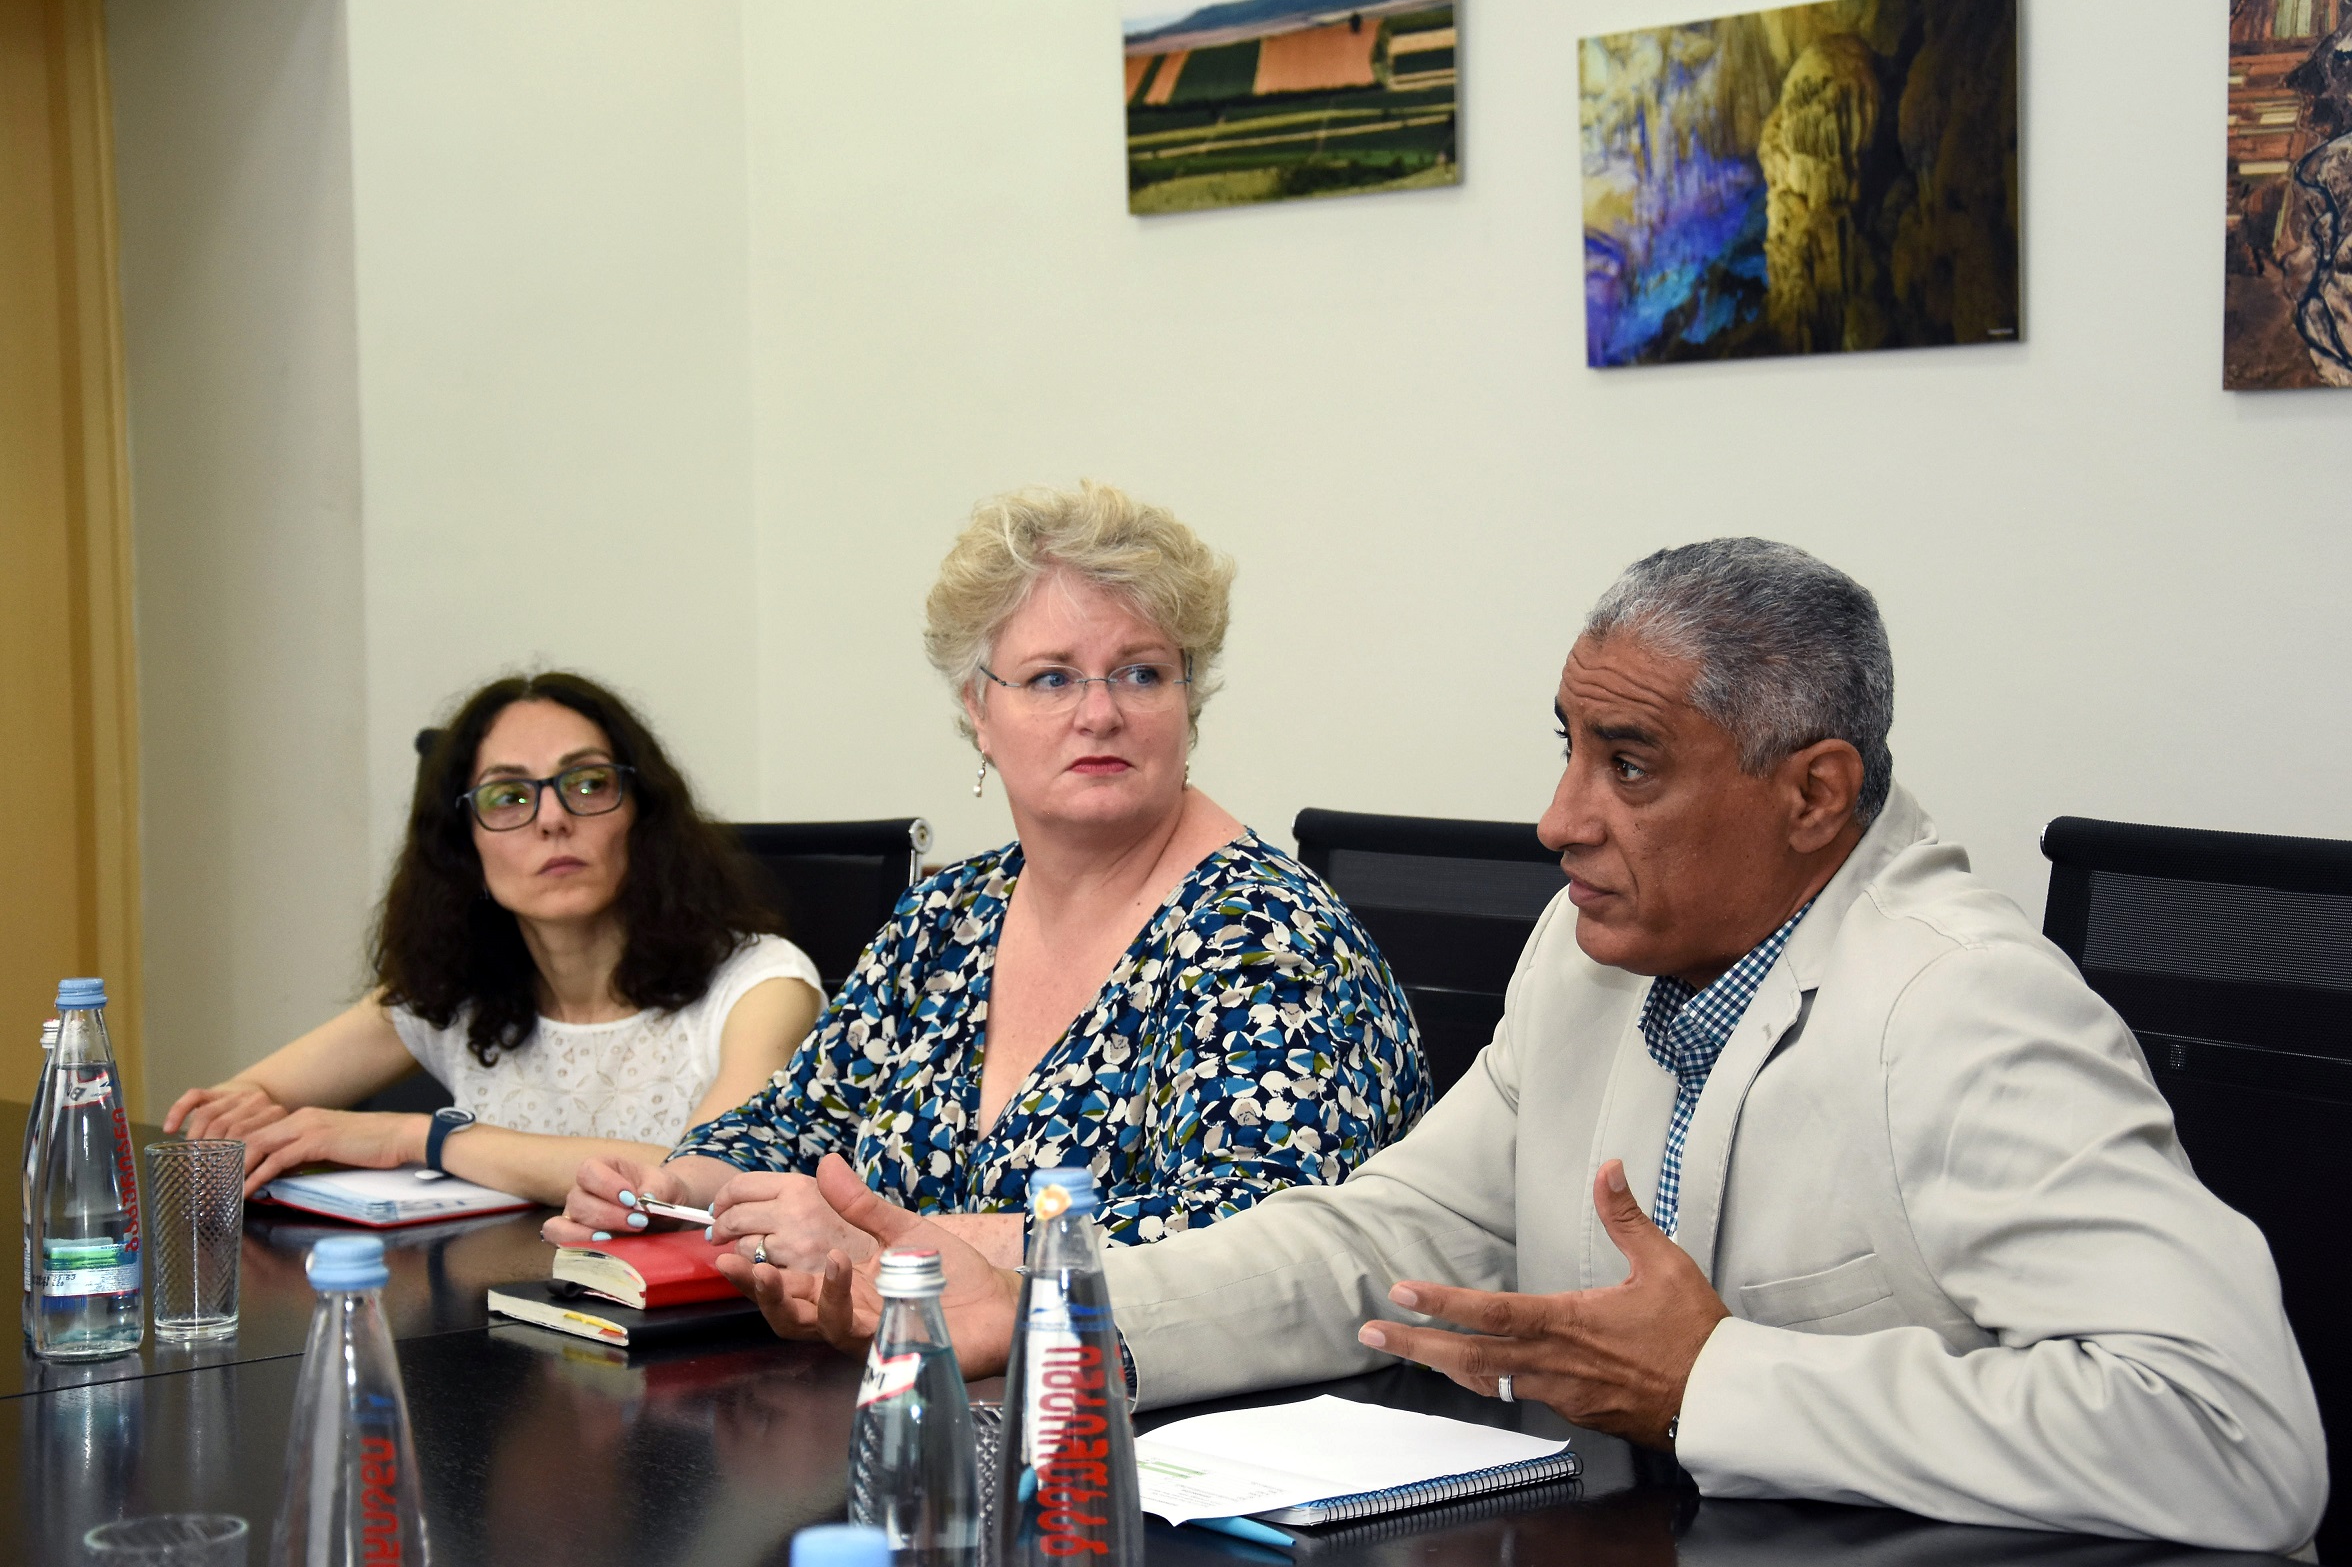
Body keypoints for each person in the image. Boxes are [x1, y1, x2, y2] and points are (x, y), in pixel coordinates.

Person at [751, 539, 2328, 1555]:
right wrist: (1057, 1305)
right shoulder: (1585, 963)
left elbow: (2240, 1440)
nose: (1558, 819)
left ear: (1814, 795)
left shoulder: (1964, 1008)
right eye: (1566, 750)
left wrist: (1715, 1379)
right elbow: (1385, 1241)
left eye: (1628, 765)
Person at [546, 481, 1429, 1272]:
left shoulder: (1264, 935)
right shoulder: (947, 914)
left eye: (1142, 673)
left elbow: (1253, 1238)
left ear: (1187, 699)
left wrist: (886, 1244)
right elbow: (793, 1123)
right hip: (920, 1371)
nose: (1100, 712)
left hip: (1160, 1396)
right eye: (1052, 678)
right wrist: (675, 1187)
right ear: (978, 708)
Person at [165, 672, 824, 1205]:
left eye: (588, 784)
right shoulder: (456, 989)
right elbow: (238, 1105)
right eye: (508, 797)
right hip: (497, 1315)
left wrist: (417, 1138)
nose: (553, 818)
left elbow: (709, 1178)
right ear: (464, 847)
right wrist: (230, 1124)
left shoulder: (762, 984)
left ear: (643, 815)